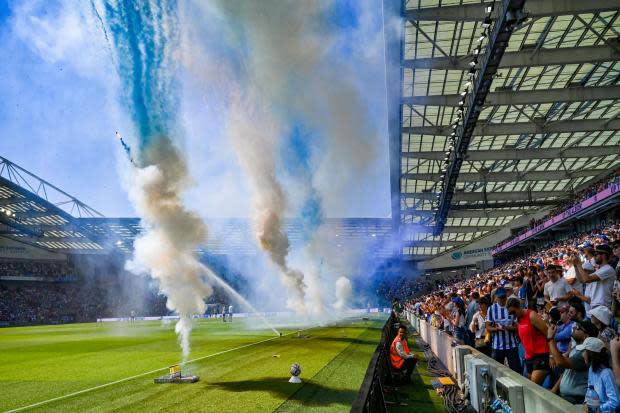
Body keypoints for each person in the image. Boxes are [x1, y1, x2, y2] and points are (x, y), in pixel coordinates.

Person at [547, 320, 599, 404]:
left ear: (586, 336)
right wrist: (554, 389)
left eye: (578, 328)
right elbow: (566, 372)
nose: (574, 327)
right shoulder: (576, 348)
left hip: (575, 400)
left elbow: (561, 362)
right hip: (565, 396)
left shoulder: (585, 353)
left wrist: (550, 338)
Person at [507, 297, 550, 385]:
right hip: (529, 357)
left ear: (518, 306)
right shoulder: (518, 320)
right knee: (531, 386)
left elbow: (548, 332)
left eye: (513, 312)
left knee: (533, 386)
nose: (513, 315)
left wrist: (552, 355)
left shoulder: (531, 315)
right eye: (510, 313)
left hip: (541, 354)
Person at [486, 288, 521, 373]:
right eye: (500, 297)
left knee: (516, 372)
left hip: (512, 345)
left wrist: (508, 328)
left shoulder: (511, 307)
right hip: (497, 346)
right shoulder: (491, 309)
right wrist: (496, 329)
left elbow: (518, 327)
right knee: (496, 372)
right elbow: (487, 327)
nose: (502, 299)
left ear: (506, 296)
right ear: (496, 297)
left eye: (504, 297)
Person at [580, 337, 620, 413]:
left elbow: (615, 401)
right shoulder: (591, 369)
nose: (582, 354)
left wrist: (598, 409)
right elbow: (590, 388)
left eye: (585, 351)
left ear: (591, 354)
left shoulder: (607, 373)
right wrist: (586, 403)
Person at [572, 245, 615, 312]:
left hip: (602, 308)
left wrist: (579, 264)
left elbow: (587, 279)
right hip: (596, 307)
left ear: (603, 255)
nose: (594, 257)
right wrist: (575, 266)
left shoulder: (608, 269)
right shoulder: (599, 270)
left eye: (596, 255)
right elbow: (582, 280)